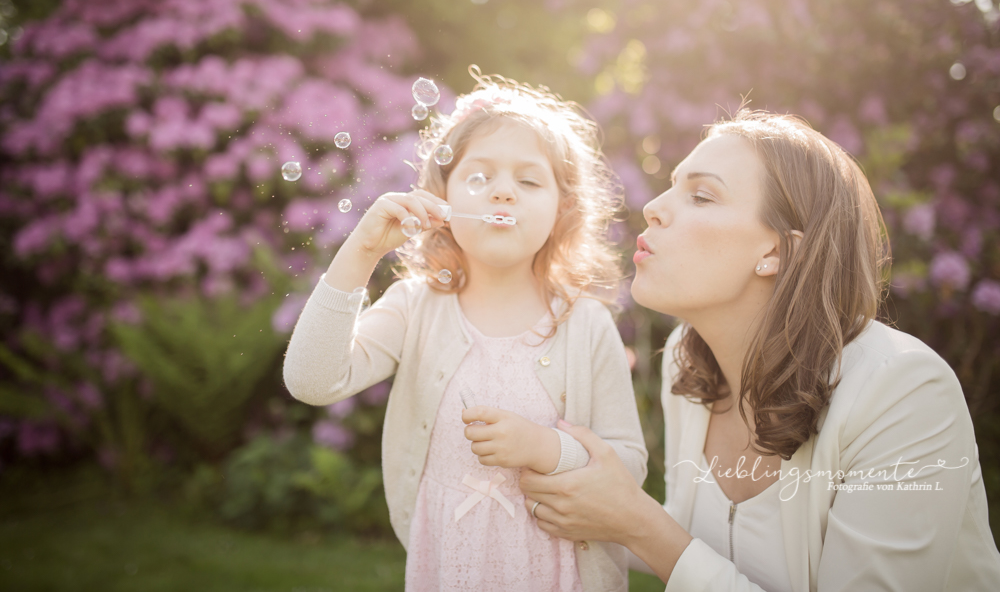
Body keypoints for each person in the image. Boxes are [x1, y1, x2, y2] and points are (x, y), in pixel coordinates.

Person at [519, 109, 1000, 591]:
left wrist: (637, 523)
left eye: (702, 196)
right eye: (671, 185)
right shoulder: (688, 364)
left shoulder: (903, 392)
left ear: (778, 252)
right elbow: (710, 550)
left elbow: (664, 540)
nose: (655, 208)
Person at [282, 69, 647, 592]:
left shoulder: (585, 324)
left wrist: (545, 449)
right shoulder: (415, 307)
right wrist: (361, 252)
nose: (503, 192)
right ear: (443, 200)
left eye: (528, 180)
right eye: (480, 177)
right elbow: (312, 381)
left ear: (561, 209)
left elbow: (627, 466)